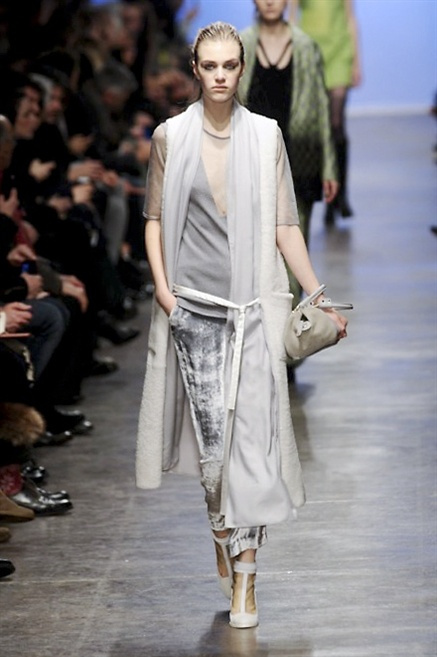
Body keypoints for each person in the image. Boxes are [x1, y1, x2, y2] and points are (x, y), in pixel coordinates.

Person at [136, 21, 348, 629]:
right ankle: (220, 526)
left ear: (241, 69)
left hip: (253, 313)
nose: (221, 76)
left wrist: (317, 297)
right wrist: (164, 293)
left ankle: (247, 582)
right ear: (195, 69)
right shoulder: (171, 137)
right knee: (215, 455)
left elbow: (284, 225)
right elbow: (154, 219)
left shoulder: (264, 136)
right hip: (194, 313)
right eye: (211, 66)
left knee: (251, 449)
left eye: (230, 65)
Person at [239, 0, 338, 305]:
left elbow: (321, 106)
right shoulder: (241, 45)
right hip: (252, 157)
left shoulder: (306, 46)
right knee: (254, 242)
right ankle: (261, 316)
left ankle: (291, 319)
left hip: (301, 156)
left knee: (296, 239)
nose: (270, 1)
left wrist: (329, 166)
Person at [290, 0, 362, 224]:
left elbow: (350, 18)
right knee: (317, 129)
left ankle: (341, 195)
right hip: (310, 51)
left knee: (336, 124)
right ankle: (328, 192)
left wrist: (356, 61)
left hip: (339, 51)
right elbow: (292, 17)